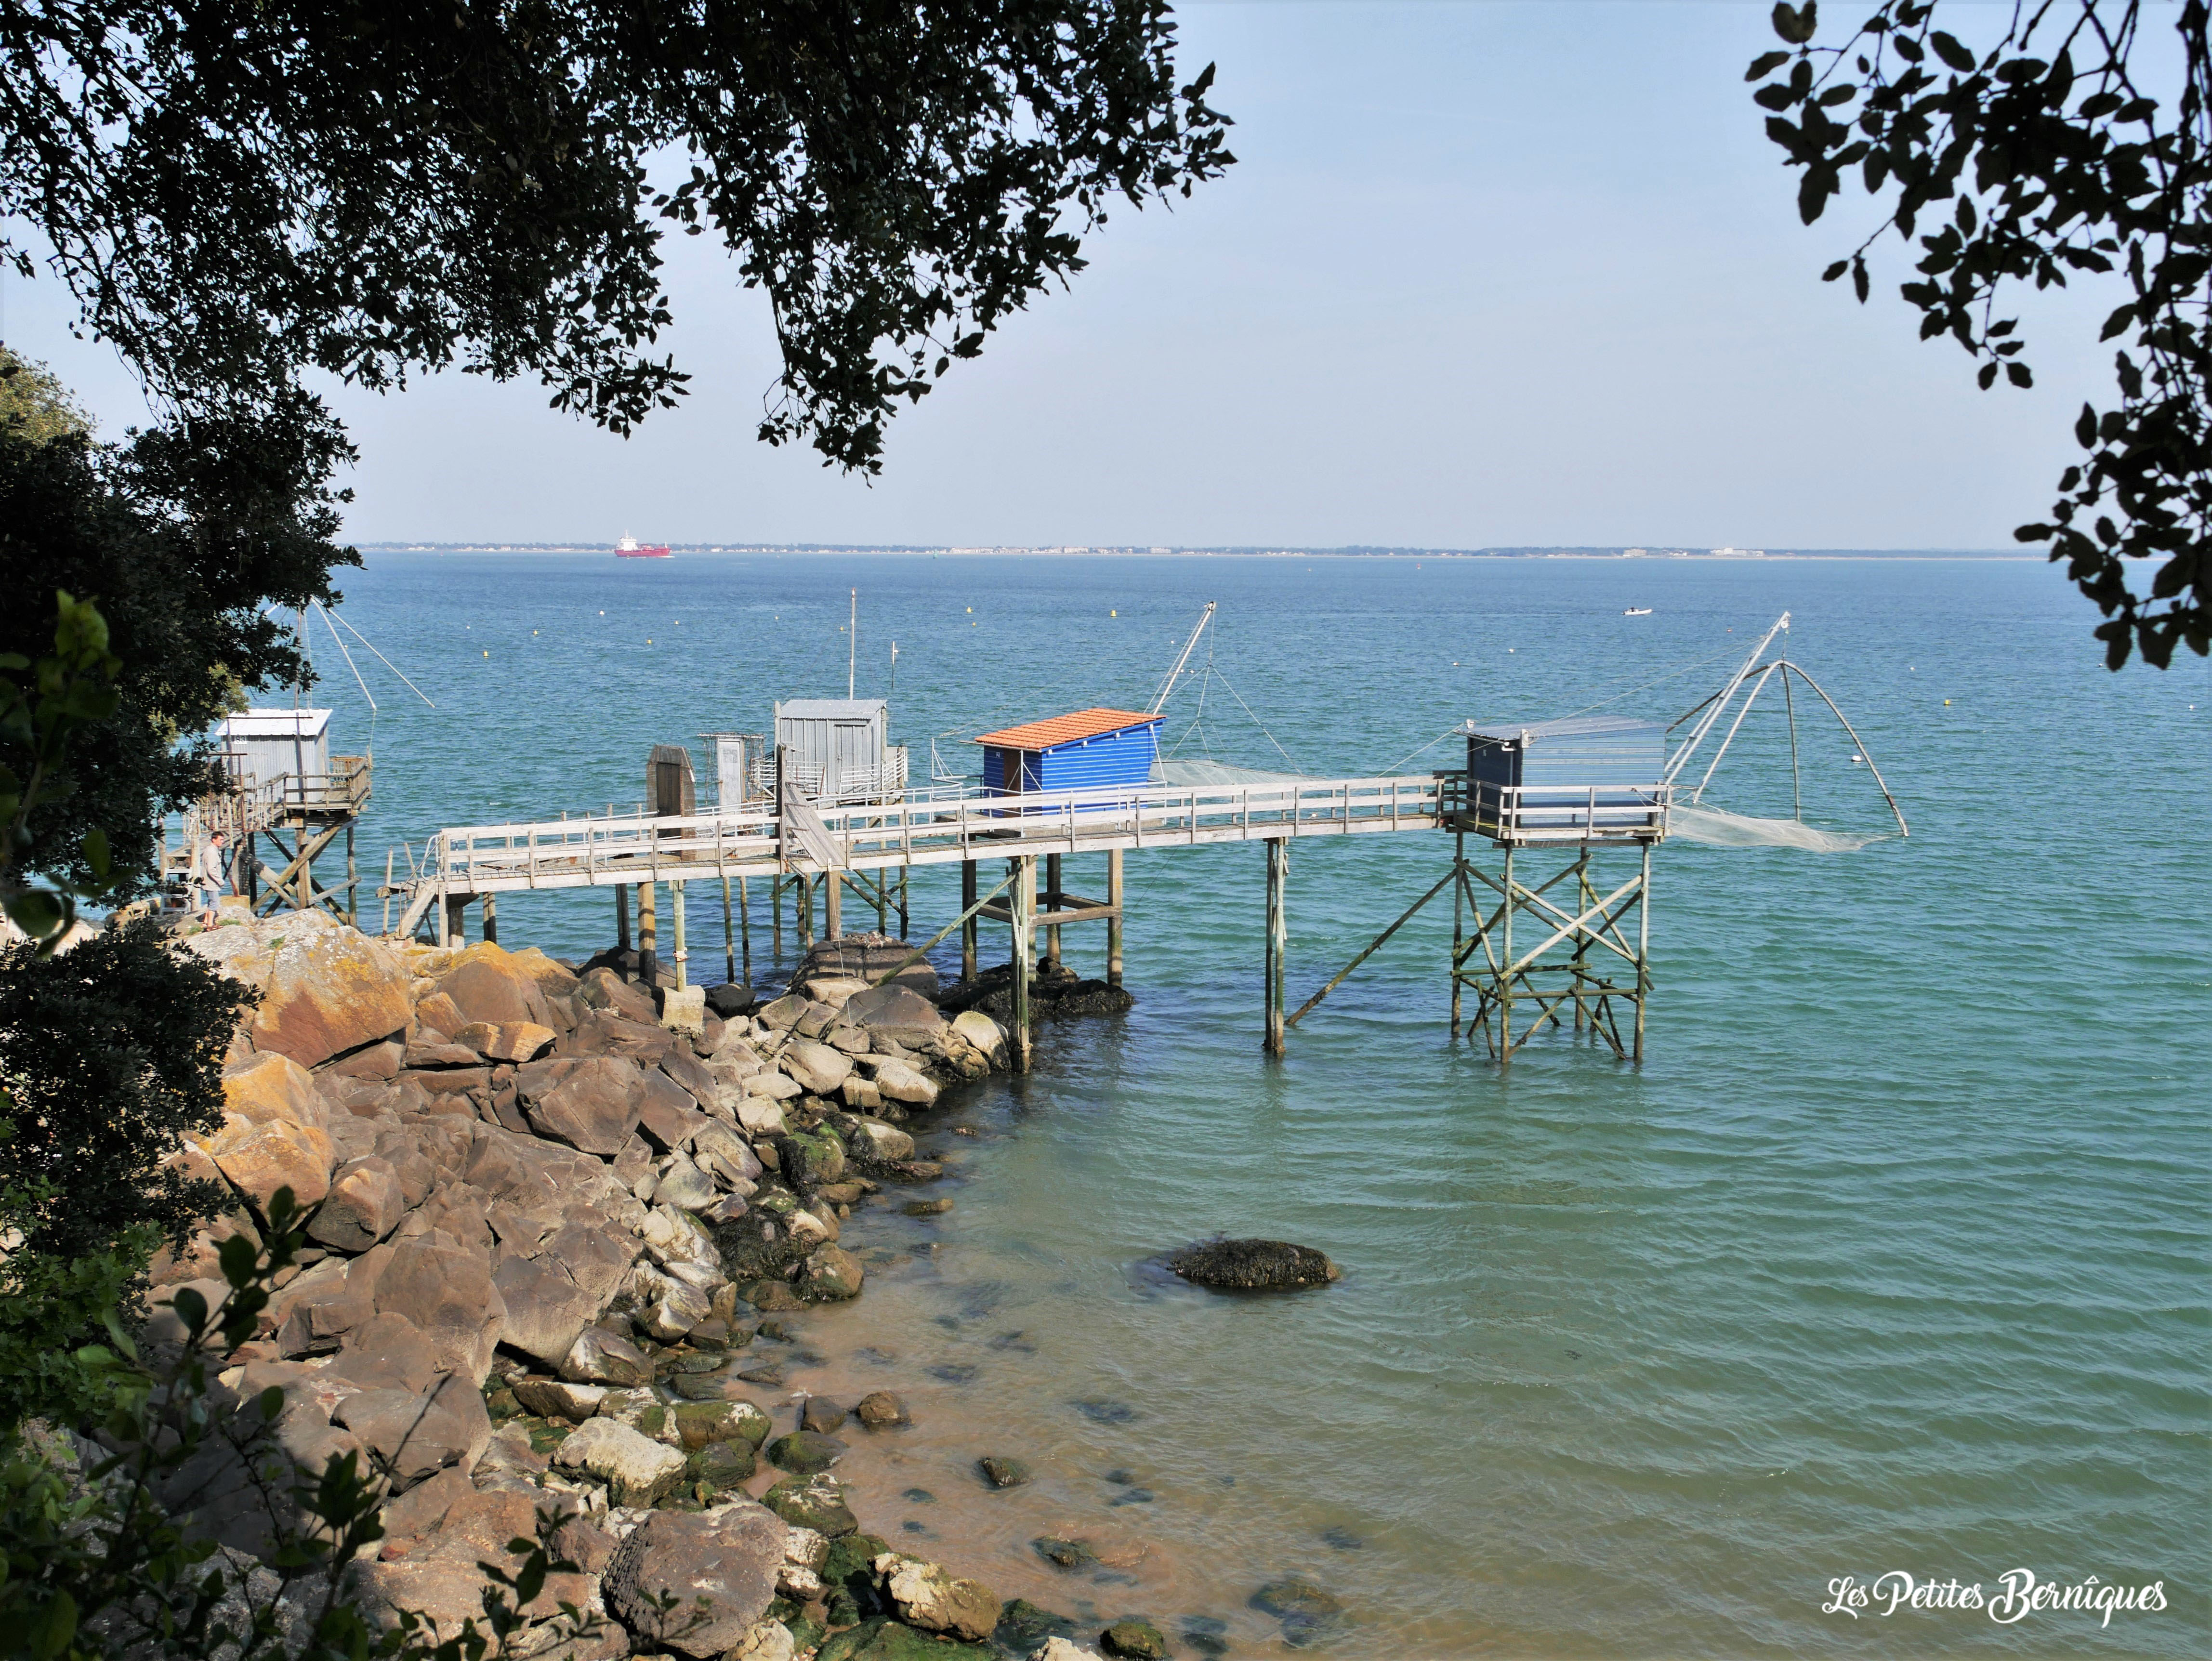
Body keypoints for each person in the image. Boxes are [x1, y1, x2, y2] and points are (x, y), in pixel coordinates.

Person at [193, 830, 229, 928]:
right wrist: (220, 881)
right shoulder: (212, 852)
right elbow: (211, 869)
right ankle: (210, 925)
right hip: (211, 882)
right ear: (214, 840)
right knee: (215, 903)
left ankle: (206, 922)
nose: (223, 842)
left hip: (207, 881)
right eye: (221, 840)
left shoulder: (209, 849)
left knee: (211, 902)